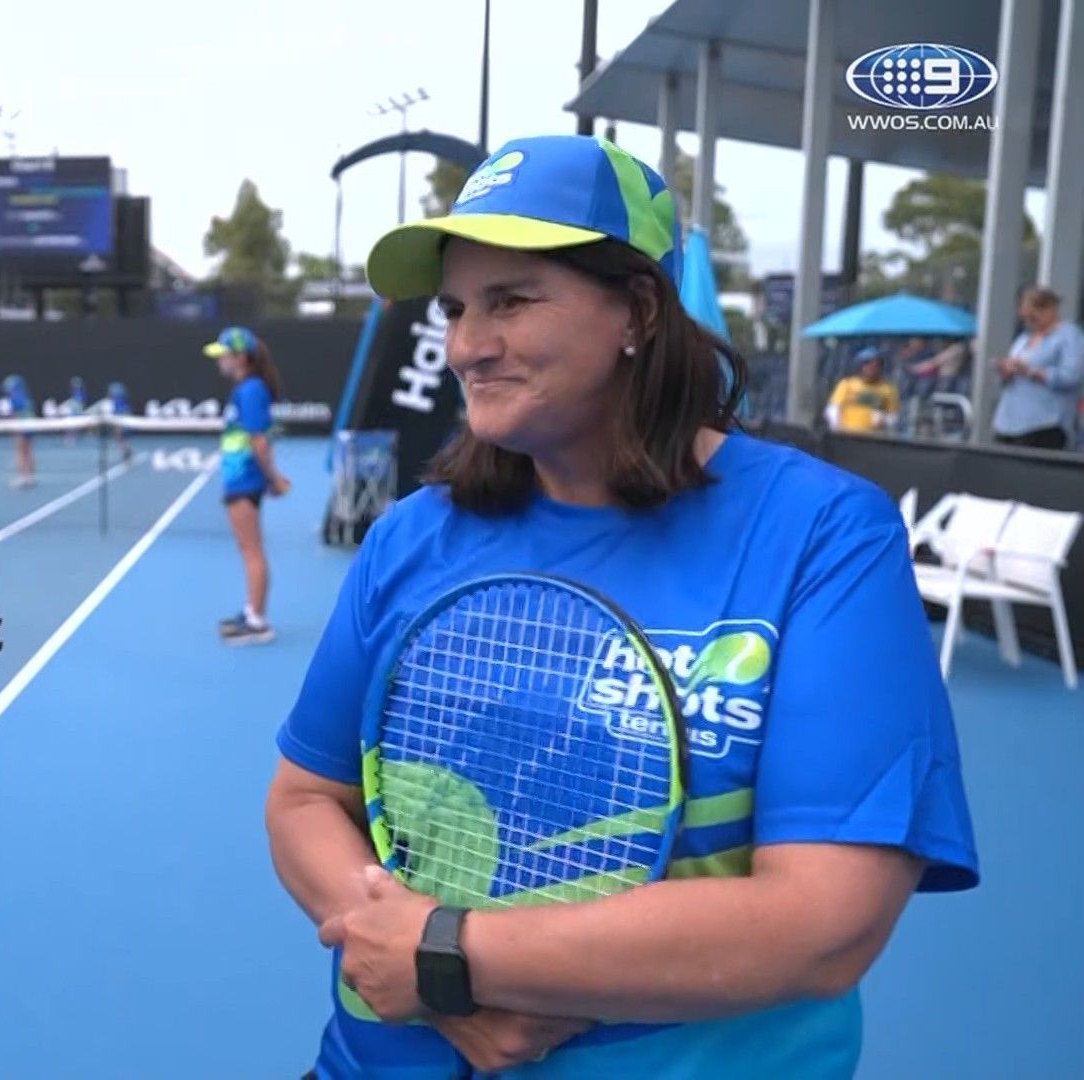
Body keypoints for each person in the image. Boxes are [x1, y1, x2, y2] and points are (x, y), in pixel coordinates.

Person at [266, 134, 978, 1080]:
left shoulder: (821, 534)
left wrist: (452, 958)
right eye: (456, 308)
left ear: (638, 310)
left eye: (511, 300)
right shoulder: (411, 536)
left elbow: (823, 923)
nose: (467, 345)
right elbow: (305, 798)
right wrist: (429, 981)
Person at [206, 325, 290, 645]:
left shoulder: (252, 390)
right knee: (248, 549)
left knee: (251, 550)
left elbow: (259, 442)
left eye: (224, 355)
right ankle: (251, 610)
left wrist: (273, 478)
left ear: (240, 357)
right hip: (239, 480)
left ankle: (257, 622)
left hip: (244, 481)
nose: (220, 361)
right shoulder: (246, 389)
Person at [990, 286, 1083, 450]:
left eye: (1033, 315)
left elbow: (1072, 376)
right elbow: (1009, 377)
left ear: (1050, 309)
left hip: (1044, 424)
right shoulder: (1023, 339)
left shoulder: (1069, 336)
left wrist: (1030, 371)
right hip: (1007, 423)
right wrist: (1005, 372)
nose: (1029, 321)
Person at [824, 348, 898, 433]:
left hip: (873, 436)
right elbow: (833, 409)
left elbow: (893, 416)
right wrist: (836, 428)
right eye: (868, 364)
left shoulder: (888, 389)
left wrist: (884, 420)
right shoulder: (847, 384)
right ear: (860, 366)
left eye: (877, 365)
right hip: (846, 433)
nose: (872, 368)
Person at [1, 373, 37, 488]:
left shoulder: (15, 398)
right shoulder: (26, 397)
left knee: (20, 451)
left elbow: (14, 414)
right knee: (28, 451)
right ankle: (30, 477)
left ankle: (22, 477)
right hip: (30, 425)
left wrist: (12, 427)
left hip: (22, 426)